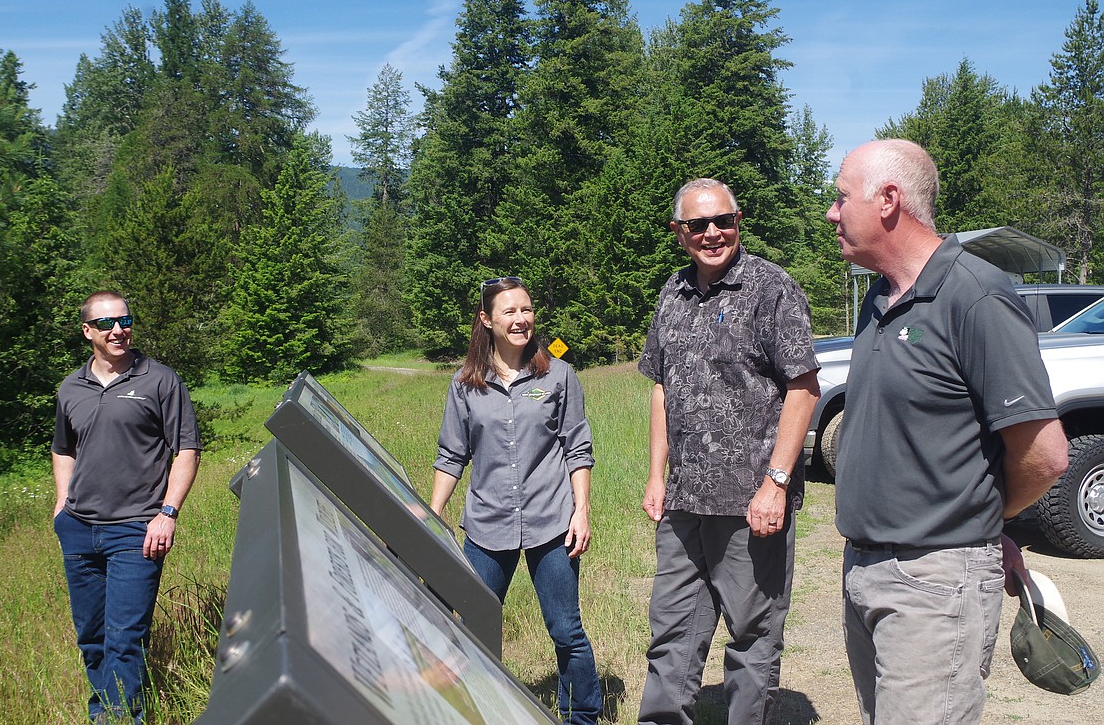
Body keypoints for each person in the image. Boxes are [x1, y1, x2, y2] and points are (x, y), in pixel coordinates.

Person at [828, 139, 1069, 724]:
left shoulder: (976, 295)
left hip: (934, 585)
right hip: (865, 567)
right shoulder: (881, 299)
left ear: (888, 200)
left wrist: (978, 525)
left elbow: (1046, 455)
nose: (833, 213)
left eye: (840, 198)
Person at [637, 179, 821, 725]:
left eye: (725, 220)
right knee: (672, 628)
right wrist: (656, 474)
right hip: (684, 500)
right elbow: (661, 387)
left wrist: (777, 483)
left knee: (752, 634)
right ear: (679, 233)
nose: (713, 232)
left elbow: (804, 388)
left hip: (750, 505)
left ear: (739, 222)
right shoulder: (673, 292)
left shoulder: (771, 288)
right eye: (699, 224)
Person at [430, 276, 602, 725]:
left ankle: (582, 716)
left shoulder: (558, 375)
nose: (521, 319)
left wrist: (581, 512)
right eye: (509, 311)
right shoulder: (465, 384)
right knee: (471, 630)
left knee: (566, 631)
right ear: (487, 320)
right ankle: (470, 712)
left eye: (526, 310)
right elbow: (452, 454)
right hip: (488, 525)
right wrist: (432, 515)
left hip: (553, 522)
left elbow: (577, 448)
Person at [52, 291, 201, 724]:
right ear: (88, 332)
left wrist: (168, 513)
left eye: (125, 320)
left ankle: (122, 719)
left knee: (125, 637)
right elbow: (64, 449)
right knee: (93, 637)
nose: (118, 330)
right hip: (79, 529)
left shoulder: (159, 380)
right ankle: (104, 714)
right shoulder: (71, 387)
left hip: (137, 530)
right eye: (106, 323)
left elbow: (187, 450)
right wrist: (62, 503)